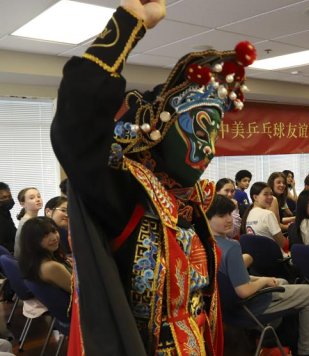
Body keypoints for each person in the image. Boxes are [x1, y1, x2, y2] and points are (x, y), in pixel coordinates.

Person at [50, 1, 257, 353]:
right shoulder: (125, 188)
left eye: (214, 132)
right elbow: (77, 123)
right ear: (161, 129)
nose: (206, 149)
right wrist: (130, 24)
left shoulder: (189, 201)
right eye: (198, 129)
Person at [209, 195, 309, 356]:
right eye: (221, 215)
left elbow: (229, 278)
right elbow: (244, 290)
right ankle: (306, 351)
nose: (228, 220)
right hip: (247, 308)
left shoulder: (206, 244)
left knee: (281, 281)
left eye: (229, 214)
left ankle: (275, 337)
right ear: (208, 217)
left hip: (227, 310)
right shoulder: (231, 247)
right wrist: (264, 280)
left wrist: (261, 280)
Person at [19, 217, 72, 293]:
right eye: (45, 235)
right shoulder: (51, 267)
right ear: (32, 240)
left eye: (54, 231)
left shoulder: (33, 261)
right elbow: (82, 293)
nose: (54, 238)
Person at [242, 182, 286, 249]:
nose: (270, 197)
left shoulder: (249, 213)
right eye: (265, 194)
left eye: (271, 194)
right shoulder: (268, 214)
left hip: (257, 256)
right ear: (255, 197)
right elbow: (282, 244)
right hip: (275, 257)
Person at [14, 187, 43, 259]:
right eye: (32, 198)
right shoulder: (28, 223)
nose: (38, 199)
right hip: (28, 264)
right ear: (22, 204)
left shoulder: (30, 219)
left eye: (39, 196)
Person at [0, 182, 16, 253]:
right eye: (4, 197)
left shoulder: (5, 212)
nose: (8, 199)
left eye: (10, 196)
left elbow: (13, 233)